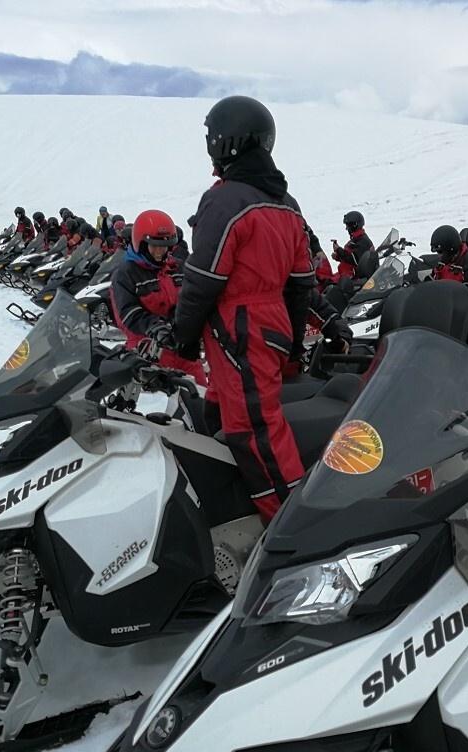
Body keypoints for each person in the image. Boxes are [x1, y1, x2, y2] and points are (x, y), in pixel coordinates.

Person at [168, 95, 315, 523]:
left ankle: (293, 526)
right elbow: (301, 283)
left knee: (254, 430)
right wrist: (290, 342)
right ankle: (231, 512)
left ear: (225, 142)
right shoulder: (287, 204)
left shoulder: (226, 200)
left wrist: (183, 335)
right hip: (269, 325)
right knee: (217, 411)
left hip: (240, 325)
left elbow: (203, 280)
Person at [110, 209, 206, 386]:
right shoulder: (126, 274)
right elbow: (128, 313)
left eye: (165, 246)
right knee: (160, 408)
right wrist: (155, 326)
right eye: (154, 246)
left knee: (200, 399)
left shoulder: (177, 268)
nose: (160, 252)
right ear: (141, 243)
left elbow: (193, 297)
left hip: (183, 349)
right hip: (148, 354)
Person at [429, 225, 468, 315]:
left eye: (441, 252)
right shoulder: (444, 261)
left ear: (451, 249)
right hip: (446, 308)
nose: (439, 255)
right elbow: (432, 279)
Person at [330, 210, 373, 283]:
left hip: (353, 279)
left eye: (348, 226)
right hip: (346, 275)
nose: (346, 229)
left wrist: (339, 250)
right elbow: (349, 257)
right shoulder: (356, 239)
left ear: (354, 225)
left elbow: (355, 260)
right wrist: (338, 256)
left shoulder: (363, 241)